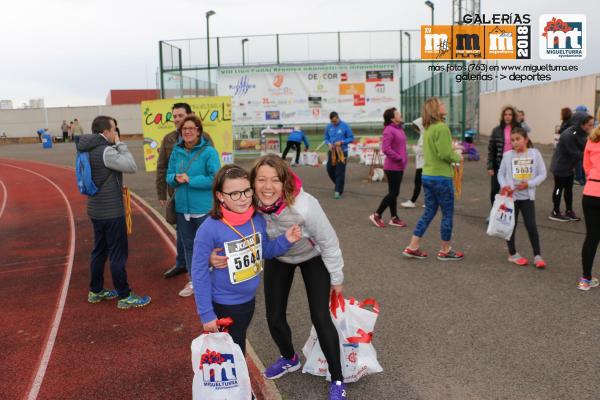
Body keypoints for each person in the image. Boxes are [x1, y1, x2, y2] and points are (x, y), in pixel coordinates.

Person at [210, 154, 348, 399]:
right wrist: (212, 256)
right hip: (278, 255)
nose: (267, 186)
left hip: (312, 256)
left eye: (275, 180)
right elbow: (225, 226)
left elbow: (329, 242)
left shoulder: (304, 205)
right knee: (273, 317)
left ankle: (338, 378)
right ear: (252, 183)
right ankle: (289, 357)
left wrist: (336, 279)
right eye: (261, 179)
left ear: (284, 182)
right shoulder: (249, 204)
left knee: (320, 315)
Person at [191, 165, 301, 355]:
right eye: (234, 193)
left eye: (246, 191)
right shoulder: (209, 229)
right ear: (220, 196)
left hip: (248, 301)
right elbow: (198, 272)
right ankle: (238, 384)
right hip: (223, 303)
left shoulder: (256, 219)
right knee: (232, 351)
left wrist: (285, 240)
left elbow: (264, 250)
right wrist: (206, 315)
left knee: (236, 345)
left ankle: (238, 381)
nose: (242, 198)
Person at [76, 116, 151, 309]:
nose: (116, 133)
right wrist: (120, 144)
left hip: (95, 209)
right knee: (118, 254)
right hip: (111, 211)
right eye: (114, 129)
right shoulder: (106, 151)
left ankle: (96, 290)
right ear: (107, 132)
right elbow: (132, 166)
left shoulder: (85, 148)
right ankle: (124, 296)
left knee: (99, 250)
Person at [403, 97, 464, 261]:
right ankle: (445, 250)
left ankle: (413, 246)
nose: (444, 105)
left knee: (429, 211)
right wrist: (457, 157)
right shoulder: (442, 128)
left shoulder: (428, 129)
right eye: (441, 104)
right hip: (441, 177)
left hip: (427, 175)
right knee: (447, 213)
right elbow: (444, 154)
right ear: (436, 110)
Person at [166, 115, 221, 297]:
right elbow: (169, 175)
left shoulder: (209, 152)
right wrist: (175, 178)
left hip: (204, 209)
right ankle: (194, 281)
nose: (187, 132)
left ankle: (214, 279)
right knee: (189, 246)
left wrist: (191, 180)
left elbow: (215, 178)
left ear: (198, 131)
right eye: (184, 129)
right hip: (183, 209)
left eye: (191, 128)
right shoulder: (176, 151)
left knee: (208, 246)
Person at [497, 127, 547, 268]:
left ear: (526, 139)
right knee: (510, 225)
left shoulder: (535, 154)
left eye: (518, 139)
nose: (515, 143)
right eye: (512, 140)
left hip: (527, 197)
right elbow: (500, 174)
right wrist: (504, 185)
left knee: (531, 225)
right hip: (511, 197)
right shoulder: (508, 155)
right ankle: (512, 254)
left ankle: (537, 255)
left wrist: (529, 184)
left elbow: (542, 174)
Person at [157, 103, 193, 281]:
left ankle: (205, 265)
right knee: (181, 231)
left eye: (181, 115)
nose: (177, 119)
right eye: (175, 116)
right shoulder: (168, 139)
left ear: (190, 115)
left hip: (198, 194)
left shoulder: (204, 137)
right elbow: (162, 167)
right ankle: (181, 264)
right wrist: (161, 193)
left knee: (202, 231)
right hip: (177, 195)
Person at [549, 114, 594, 222]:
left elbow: (586, 146)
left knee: (569, 189)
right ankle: (555, 211)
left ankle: (569, 211)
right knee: (559, 189)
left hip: (569, 167)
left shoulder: (581, 133)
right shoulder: (568, 134)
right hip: (560, 167)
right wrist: (592, 155)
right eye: (589, 125)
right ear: (581, 124)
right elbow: (574, 153)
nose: (591, 127)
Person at [369, 107, 408, 228]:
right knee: (393, 193)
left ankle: (394, 218)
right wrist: (399, 158)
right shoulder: (389, 130)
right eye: (397, 113)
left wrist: (403, 160)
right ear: (392, 118)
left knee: (394, 193)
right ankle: (377, 214)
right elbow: (386, 149)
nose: (399, 114)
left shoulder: (399, 129)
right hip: (392, 167)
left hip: (399, 166)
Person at [579, 126, 600, 290]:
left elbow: (586, 167)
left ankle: (585, 279)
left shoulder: (592, 139)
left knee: (592, 237)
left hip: (590, 192)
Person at [487, 106, 520, 207]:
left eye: (510, 114)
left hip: (514, 165)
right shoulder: (496, 130)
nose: (507, 117)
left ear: (513, 116)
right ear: (502, 116)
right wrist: (490, 166)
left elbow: (525, 146)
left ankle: (510, 213)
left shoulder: (519, 129)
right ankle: (494, 211)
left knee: (513, 190)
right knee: (495, 190)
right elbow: (491, 150)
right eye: (505, 114)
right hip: (499, 164)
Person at [325, 111, 354, 199]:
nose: (333, 123)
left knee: (339, 171)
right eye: (332, 122)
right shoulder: (328, 127)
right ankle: (339, 185)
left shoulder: (345, 126)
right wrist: (328, 143)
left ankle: (337, 191)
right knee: (329, 169)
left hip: (342, 152)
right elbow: (326, 138)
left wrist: (342, 142)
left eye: (335, 121)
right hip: (332, 151)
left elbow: (351, 138)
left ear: (338, 118)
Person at [402, 117, 425, 208]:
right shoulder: (423, 134)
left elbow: (422, 150)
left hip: (423, 163)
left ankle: (412, 201)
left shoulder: (424, 135)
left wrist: (413, 147)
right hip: (422, 163)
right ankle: (426, 201)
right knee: (422, 183)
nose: (416, 130)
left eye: (417, 128)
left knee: (418, 182)